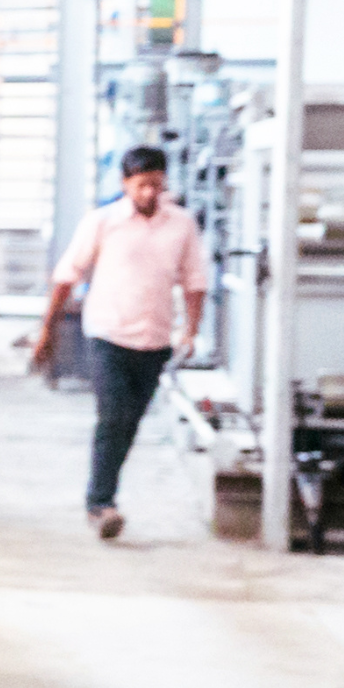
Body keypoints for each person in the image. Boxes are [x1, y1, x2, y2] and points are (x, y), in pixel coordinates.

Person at [33, 142, 210, 540]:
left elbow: (195, 280)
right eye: (143, 184)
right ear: (125, 182)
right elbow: (68, 274)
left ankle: (103, 496)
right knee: (112, 418)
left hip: (155, 339)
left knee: (128, 423)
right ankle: (101, 503)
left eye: (157, 186)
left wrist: (192, 330)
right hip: (108, 337)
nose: (150, 193)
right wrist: (48, 328)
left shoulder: (181, 225)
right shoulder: (103, 222)